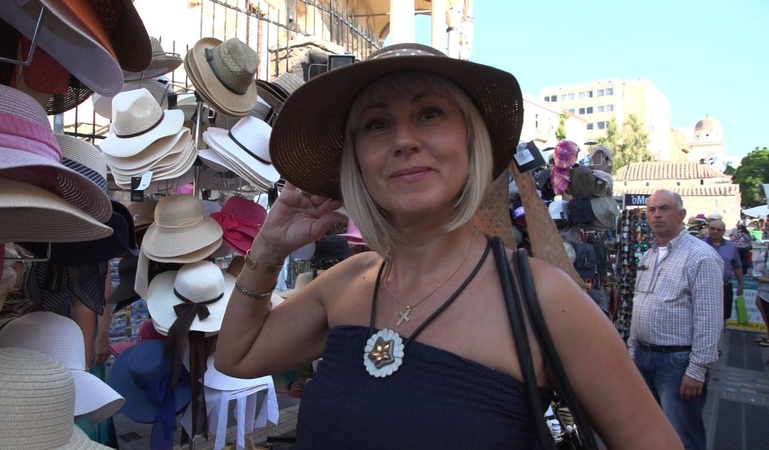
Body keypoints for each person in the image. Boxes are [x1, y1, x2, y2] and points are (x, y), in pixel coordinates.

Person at [215, 43, 680, 449]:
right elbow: (237, 356)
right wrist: (270, 246)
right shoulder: (348, 284)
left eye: (430, 114)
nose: (404, 140)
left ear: (471, 140)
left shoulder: (546, 300)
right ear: (355, 158)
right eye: (376, 124)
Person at [629, 190, 723, 450]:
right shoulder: (649, 255)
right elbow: (638, 303)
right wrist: (633, 351)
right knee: (650, 431)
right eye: (652, 210)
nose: (657, 215)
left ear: (681, 214)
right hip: (645, 357)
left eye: (664, 208)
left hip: (677, 363)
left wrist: (697, 370)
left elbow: (709, 318)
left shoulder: (701, 256)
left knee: (681, 438)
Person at [705, 219, 744, 322]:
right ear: (708, 229)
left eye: (719, 229)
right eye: (712, 228)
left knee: (723, 317)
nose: (715, 231)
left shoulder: (731, 246)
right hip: (704, 288)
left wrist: (741, 284)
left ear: (723, 232)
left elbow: (737, 266)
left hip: (725, 288)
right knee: (705, 316)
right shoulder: (699, 245)